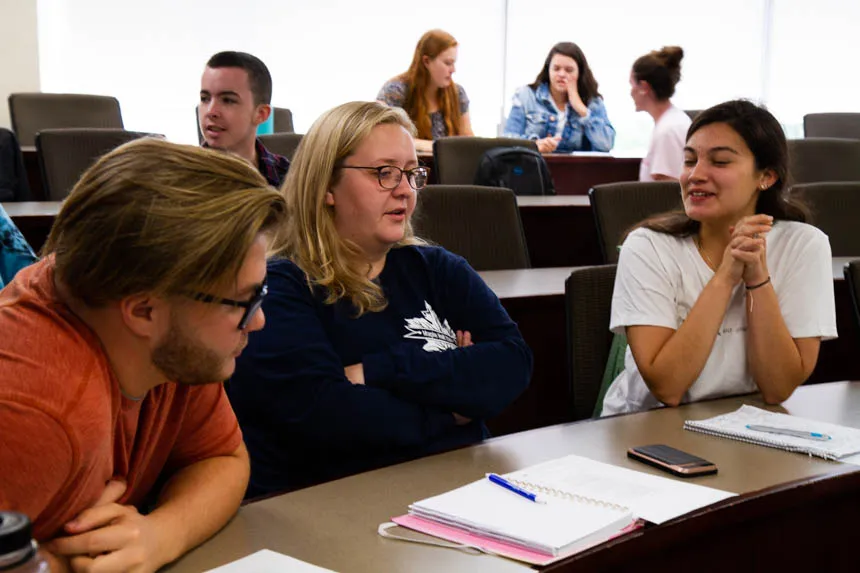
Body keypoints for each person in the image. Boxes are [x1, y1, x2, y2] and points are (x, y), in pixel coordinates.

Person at [0, 138, 287, 571]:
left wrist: (161, 534)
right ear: (143, 310)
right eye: (244, 302)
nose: (259, 321)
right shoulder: (36, 412)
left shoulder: (172, 338)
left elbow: (224, 458)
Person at [228, 101, 532, 496]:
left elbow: (512, 362)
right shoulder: (282, 286)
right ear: (327, 186)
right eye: (384, 173)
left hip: (451, 484)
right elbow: (331, 417)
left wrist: (376, 372)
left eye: (412, 173)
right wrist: (454, 408)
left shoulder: (435, 267)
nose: (406, 190)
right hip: (335, 503)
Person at [601, 100, 837, 416]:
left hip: (746, 425)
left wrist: (757, 279)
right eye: (689, 160)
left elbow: (777, 388)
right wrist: (726, 276)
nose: (695, 175)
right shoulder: (647, 247)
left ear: (766, 176)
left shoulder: (804, 245)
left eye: (720, 162)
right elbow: (668, 388)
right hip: (648, 425)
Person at [199, 51, 290, 187]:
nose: (211, 111)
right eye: (205, 99)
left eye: (228, 100)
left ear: (261, 114)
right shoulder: (177, 177)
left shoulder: (289, 178)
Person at [503, 42, 615, 153]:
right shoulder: (526, 95)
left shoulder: (592, 102)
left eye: (569, 70)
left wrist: (580, 108)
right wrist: (535, 145)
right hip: (533, 167)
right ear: (548, 70)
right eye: (556, 69)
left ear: (580, 73)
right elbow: (507, 139)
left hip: (576, 169)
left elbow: (606, 144)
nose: (562, 74)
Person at [377, 29, 474, 153]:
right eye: (448, 63)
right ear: (426, 61)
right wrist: (437, 147)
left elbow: (467, 140)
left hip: (449, 170)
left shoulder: (457, 93)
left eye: (454, 63)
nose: (453, 69)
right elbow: (381, 135)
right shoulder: (395, 90)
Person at [630, 46, 691, 181]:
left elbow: (667, 193)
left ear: (644, 87)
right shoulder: (669, 123)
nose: (630, 92)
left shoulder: (669, 130)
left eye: (632, 85)